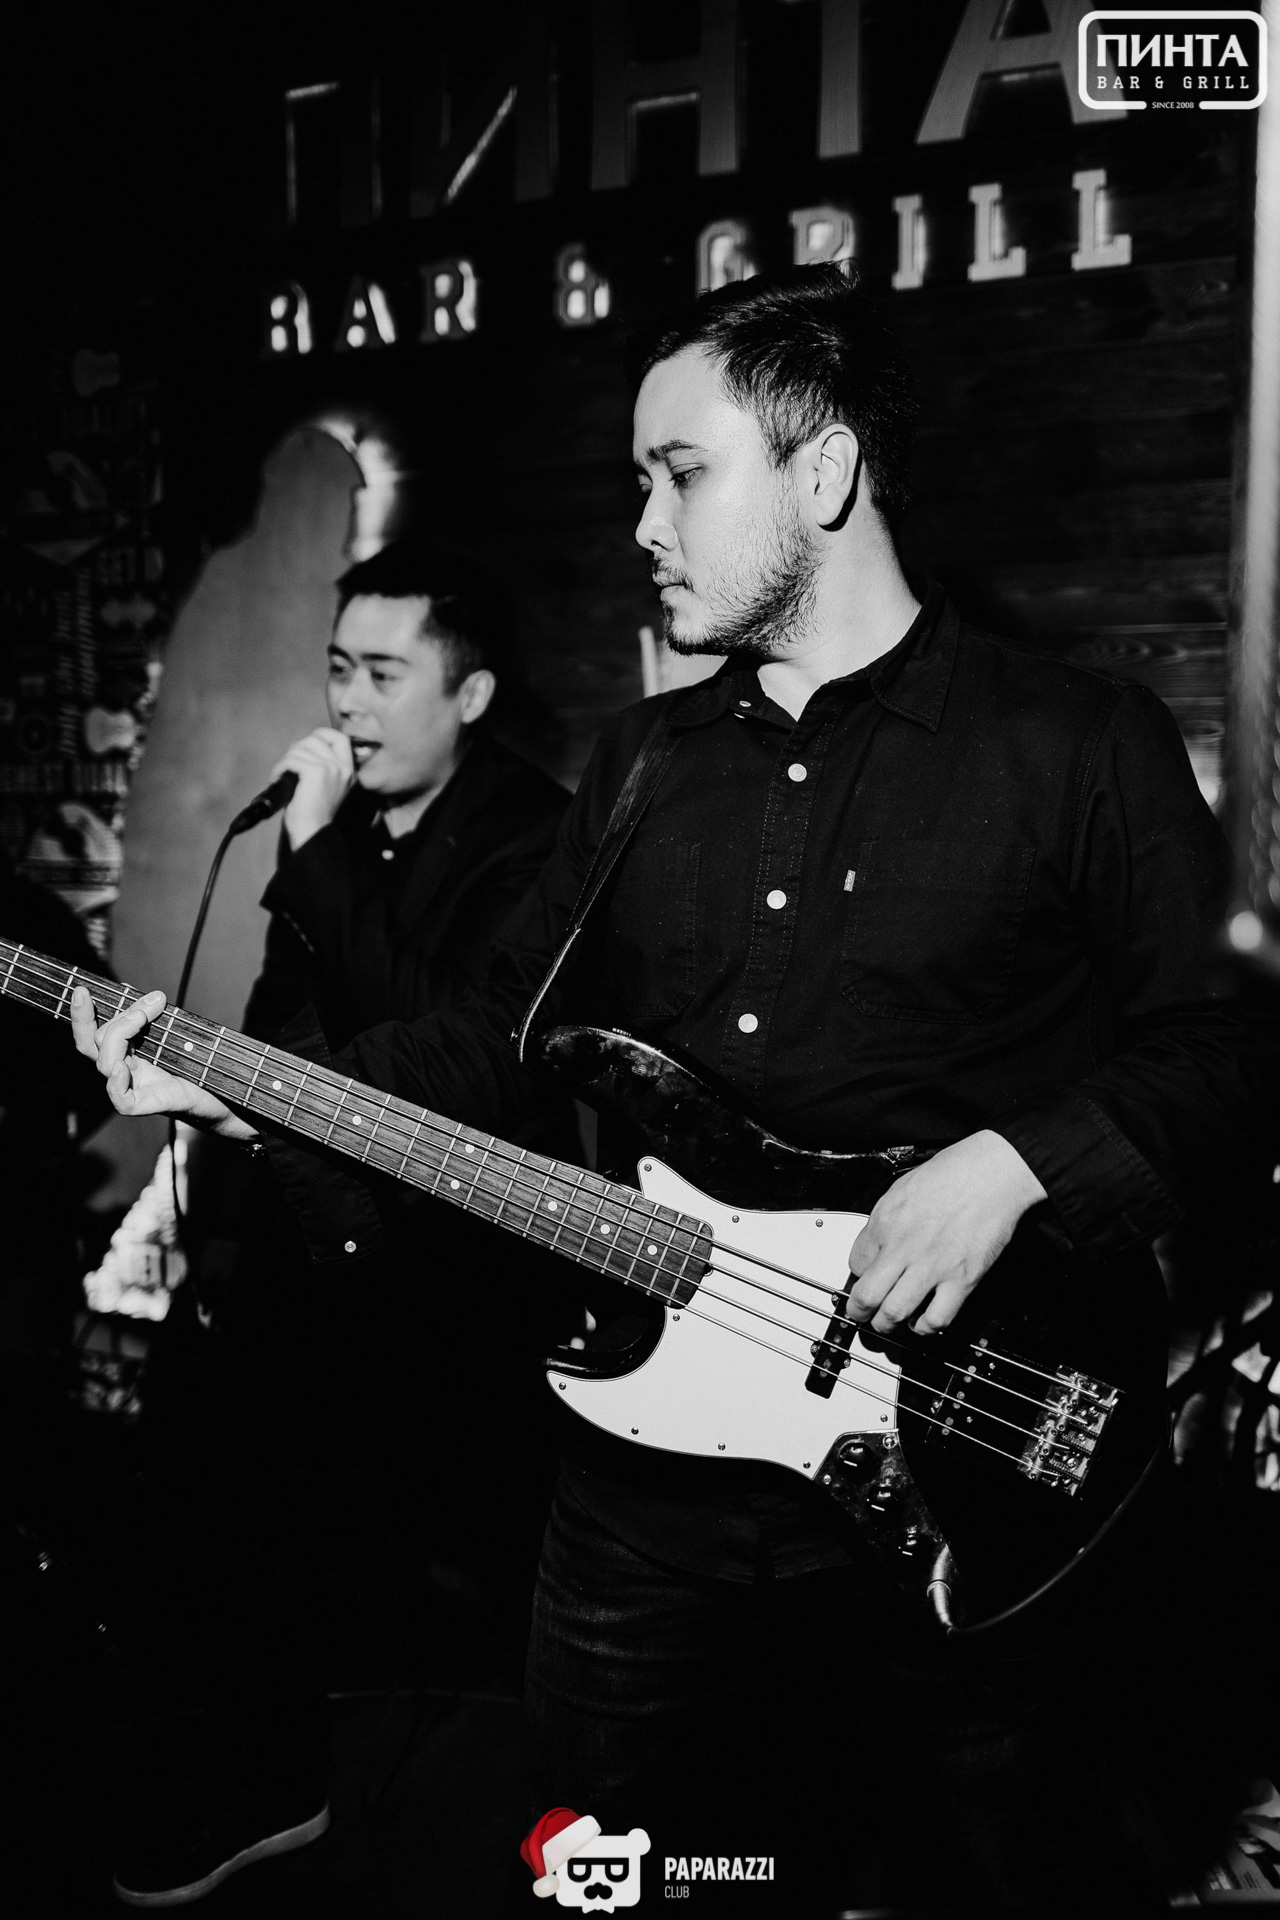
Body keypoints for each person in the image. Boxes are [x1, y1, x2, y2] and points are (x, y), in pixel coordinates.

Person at [72, 267, 1270, 1909]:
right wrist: (244, 1089)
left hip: (959, 1463)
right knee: (616, 1872)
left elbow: (1230, 1049)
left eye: (681, 474)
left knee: (957, 1869)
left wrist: (1013, 1164)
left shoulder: (1077, 741)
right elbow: (490, 1040)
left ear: (823, 473)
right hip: (645, 1479)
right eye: (639, 479)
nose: (643, 522)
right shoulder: (641, 769)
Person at [109, 542, 575, 1909]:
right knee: (203, 1469)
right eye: (336, 669)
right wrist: (213, 1111)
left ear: (471, 693)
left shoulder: (535, 839)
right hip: (319, 1235)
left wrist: (310, 854)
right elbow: (284, 1035)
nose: (348, 705)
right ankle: (263, 1785)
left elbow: (429, 1047)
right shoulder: (348, 833)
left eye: (382, 673)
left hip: (467, 1276)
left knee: (483, 1568)